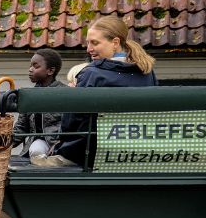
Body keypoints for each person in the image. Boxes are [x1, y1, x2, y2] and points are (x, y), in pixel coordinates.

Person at [34, 15, 157, 167]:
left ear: (115, 42)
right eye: (88, 43)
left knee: (36, 160)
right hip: (136, 153)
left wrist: (59, 147)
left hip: (89, 156)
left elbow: (72, 122)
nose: (89, 49)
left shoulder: (91, 74)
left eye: (95, 43)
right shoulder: (147, 72)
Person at [13, 48, 65, 159]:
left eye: (36, 66)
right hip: (38, 144)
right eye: (31, 65)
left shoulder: (65, 93)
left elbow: (71, 125)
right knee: (36, 150)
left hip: (60, 145)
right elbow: (21, 127)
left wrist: (59, 144)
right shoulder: (29, 95)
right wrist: (1, 143)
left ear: (50, 71)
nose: (30, 69)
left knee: (37, 150)